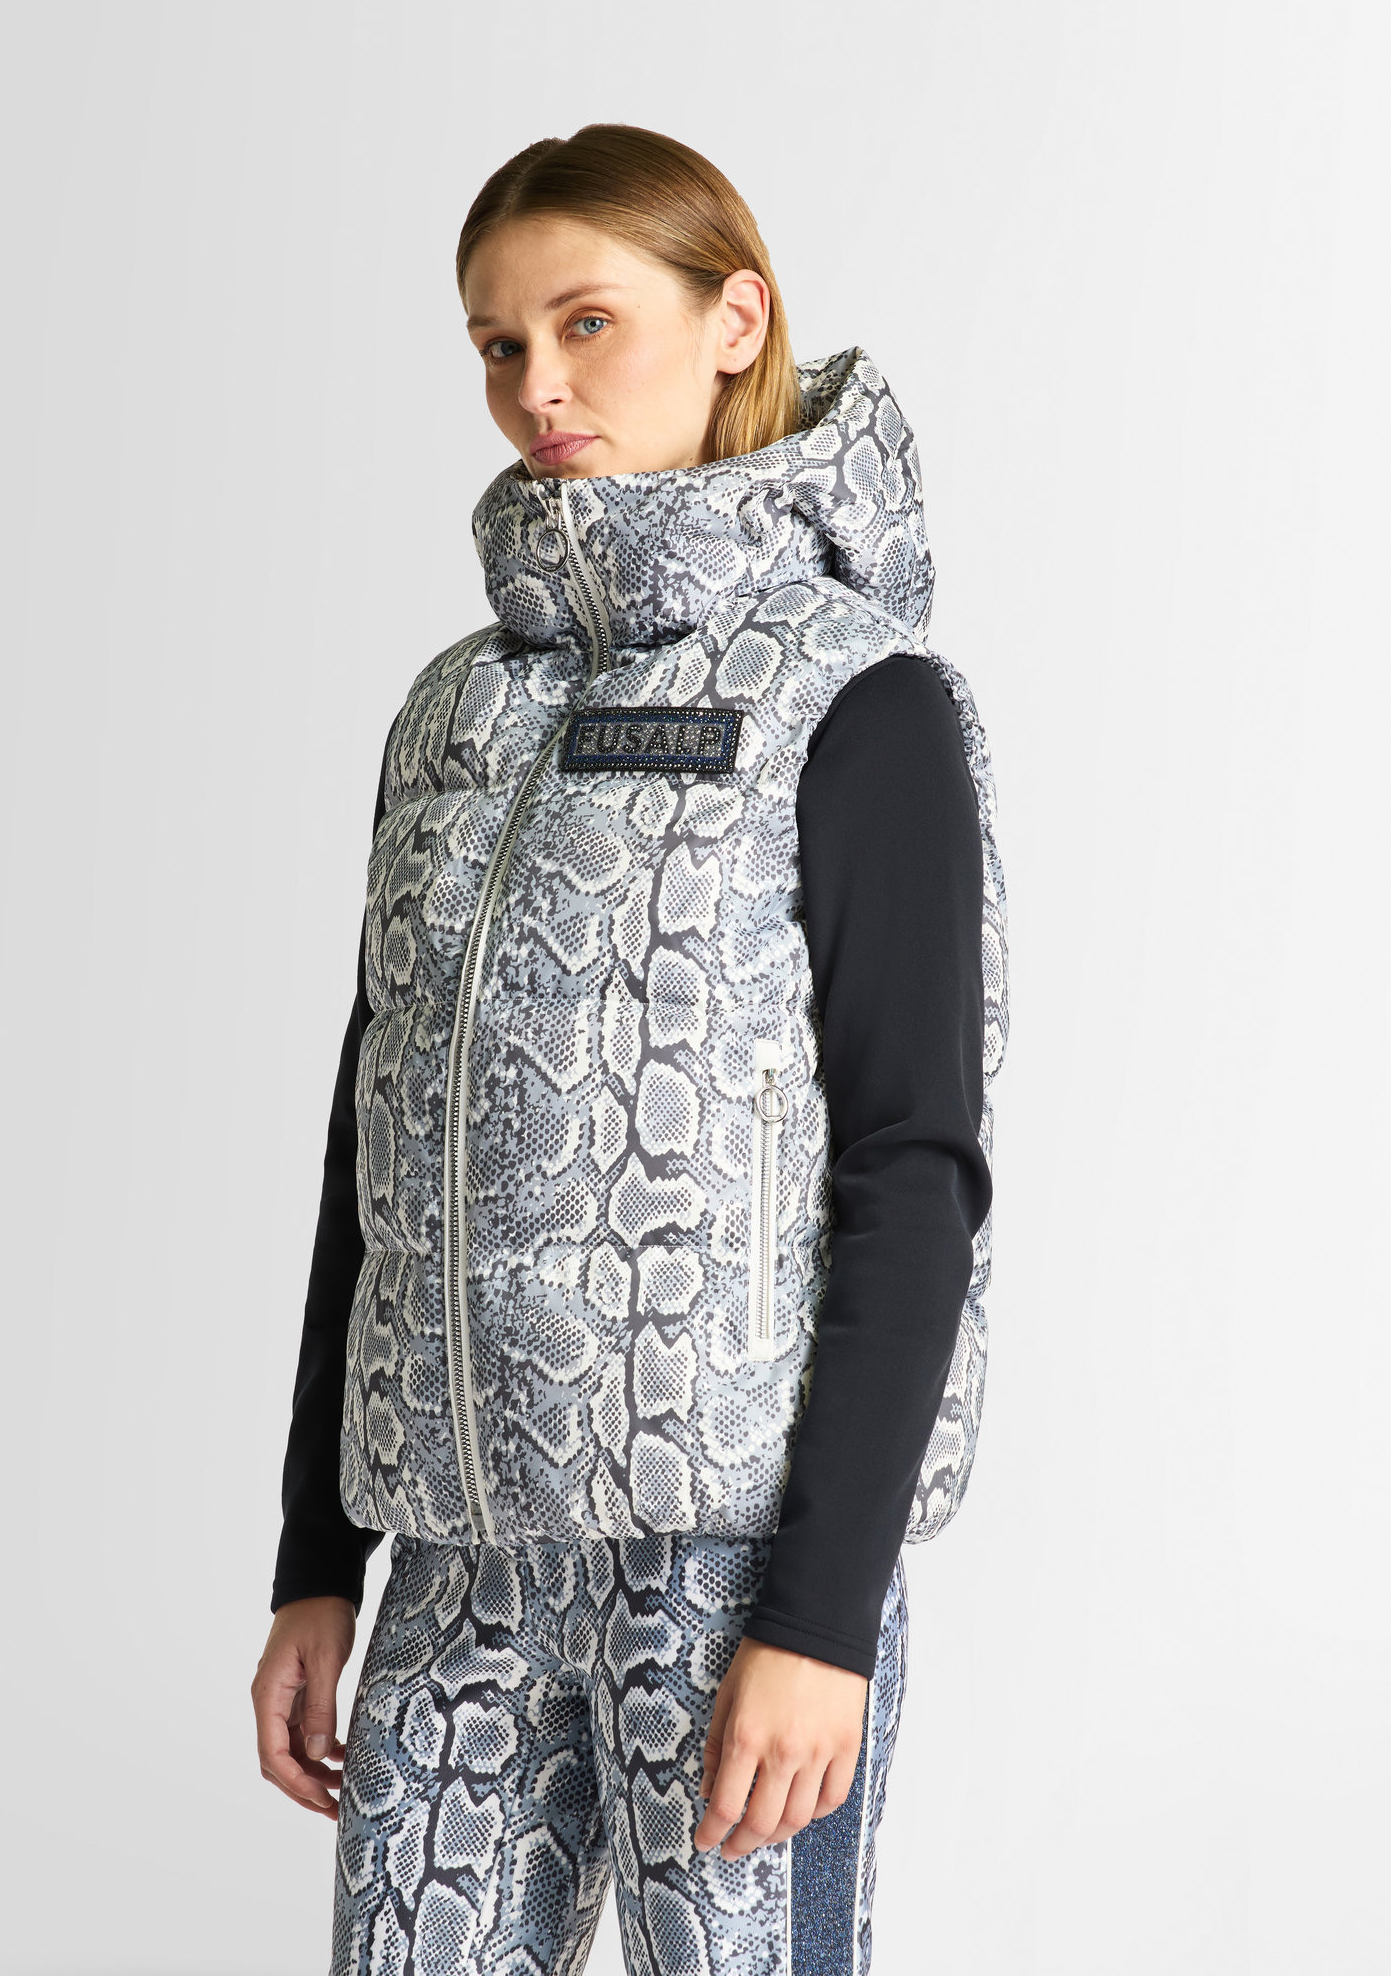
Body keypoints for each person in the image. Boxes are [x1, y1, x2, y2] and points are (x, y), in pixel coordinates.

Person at [251, 122, 1007, 1976]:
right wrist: (316, 1562)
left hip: (731, 1572)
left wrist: (820, 1616)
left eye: (587, 323)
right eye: (498, 344)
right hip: (458, 1571)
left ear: (734, 319)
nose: (539, 386)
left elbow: (914, 1170)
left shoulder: (856, 696)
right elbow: (374, 1145)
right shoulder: (454, 712)